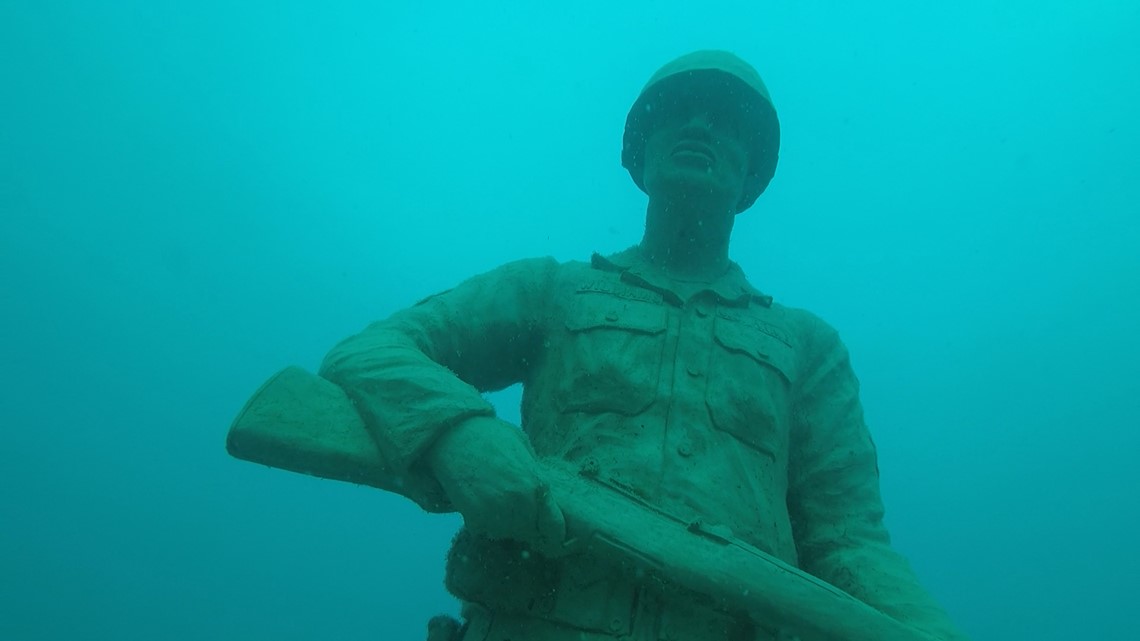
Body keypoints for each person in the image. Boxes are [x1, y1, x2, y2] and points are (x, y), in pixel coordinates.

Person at [318, 51, 968, 641]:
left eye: (726, 119)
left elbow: (848, 543)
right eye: (677, 111)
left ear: (752, 171)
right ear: (638, 151)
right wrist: (457, 434)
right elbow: (373, 350)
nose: (699, 126)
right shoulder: (551, 290)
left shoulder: (807, 347)